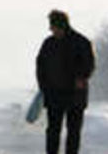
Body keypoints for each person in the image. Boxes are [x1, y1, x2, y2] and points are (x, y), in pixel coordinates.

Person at [36, 9, 95, 154]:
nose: (51, 30)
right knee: (53, 131)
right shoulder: (48, 44)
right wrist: (44, 87)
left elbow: (89, 65)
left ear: (61, 25)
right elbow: (40, 66)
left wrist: (81, 77)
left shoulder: (81, 42)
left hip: (75, 96)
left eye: (53, 26)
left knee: (73, 132)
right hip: (54, 95)